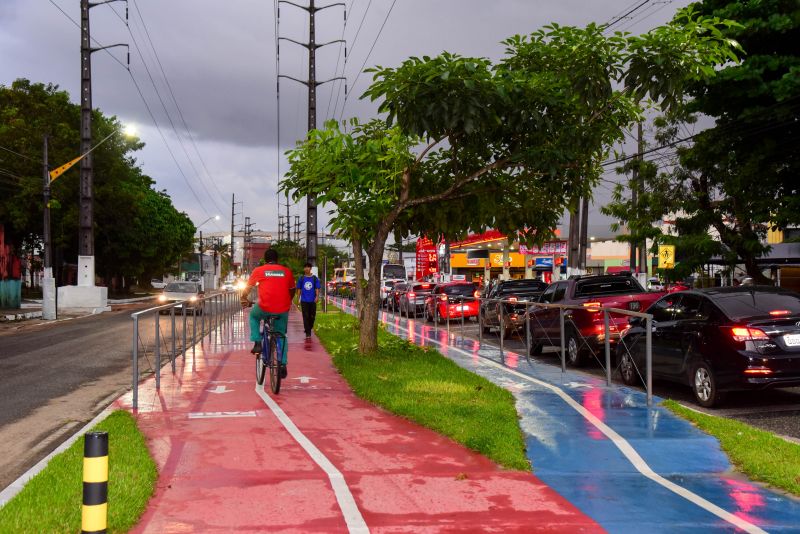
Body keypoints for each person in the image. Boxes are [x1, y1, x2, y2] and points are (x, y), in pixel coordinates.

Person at [240, 249, 295, 378]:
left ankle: (257, 343)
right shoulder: (286, 271)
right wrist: (287, 302)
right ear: (278, 260)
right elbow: (292, 290)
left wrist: (244, 298)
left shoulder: (259, 270)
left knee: (253, 316)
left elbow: (248, 287)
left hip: (264, 307)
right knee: (281, 335)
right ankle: (282, 364)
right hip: (282, 309)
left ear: (265, 260)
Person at [296, 262, 320, 339]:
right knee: (305, 316)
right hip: (304, 300)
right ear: (304, 269)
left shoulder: (314, 278)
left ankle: (309, 327)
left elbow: (317, 288)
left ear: (310, 268)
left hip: (312, 301)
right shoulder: (301, 278)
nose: (306, 268)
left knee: (312, 316)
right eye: (305, 267)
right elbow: (299, 289)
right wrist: (298, 299)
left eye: (308, 267)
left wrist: (317, 297)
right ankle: (308, 333)